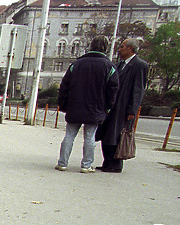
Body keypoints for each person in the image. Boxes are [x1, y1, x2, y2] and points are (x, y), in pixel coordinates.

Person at [55, 35, 119, 173]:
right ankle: (86, 165)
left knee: (69, 135)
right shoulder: (110, 67)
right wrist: (108, 107)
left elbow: (64, 85)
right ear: (106, 47)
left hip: (75, 105)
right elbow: (112, 89)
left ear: (91, 45)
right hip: (96, 107)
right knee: (90, 137)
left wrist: (62, 103)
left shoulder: (76, 65)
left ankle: (62, 163)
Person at [96, 38, 149, 173]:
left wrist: (132, 109)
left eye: (122, 47)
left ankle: (116, 164)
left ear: (130, 48)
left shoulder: (139, 65)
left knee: (118, 135)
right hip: (113, 105)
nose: (119, 49)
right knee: (107, 133)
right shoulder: (119, 65)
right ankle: (107, 161)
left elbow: (139, 89)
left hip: (124, 107)